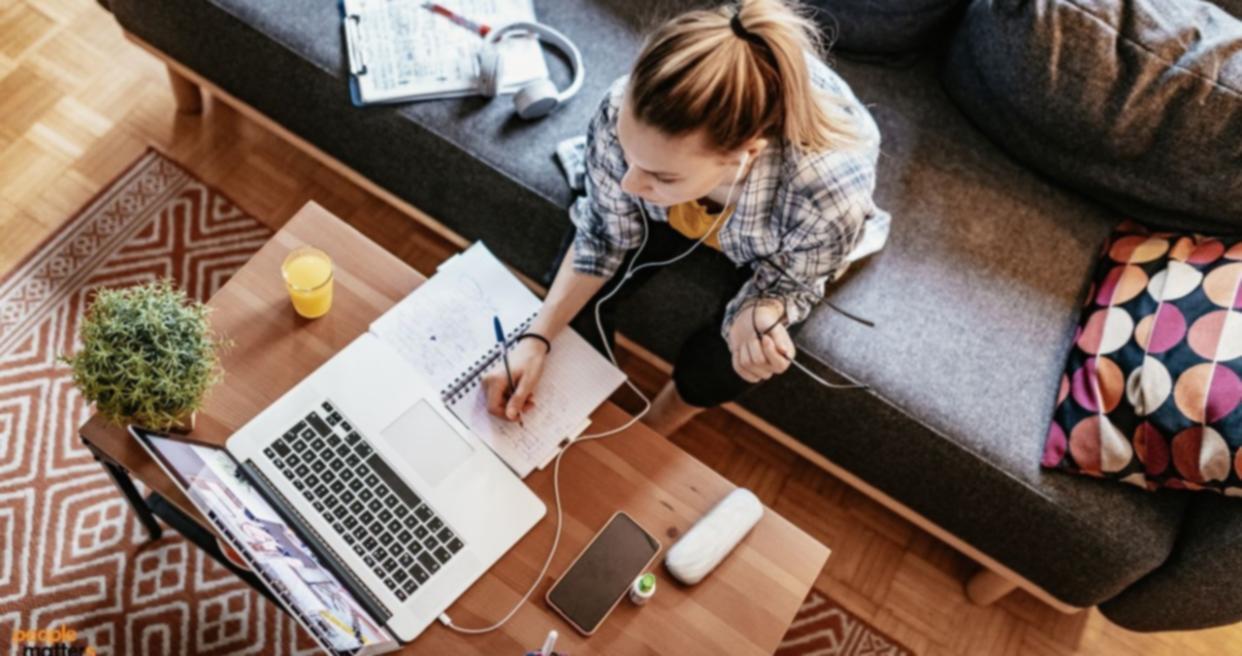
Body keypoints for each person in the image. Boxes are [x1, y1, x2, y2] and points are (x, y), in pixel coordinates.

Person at [484, 0, 889, 435]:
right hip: (716, 189)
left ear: (743, 157)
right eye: (628, 153)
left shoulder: (827, 193)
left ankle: (657, 425)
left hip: (785, 223)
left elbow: (789, 283)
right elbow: (602, 233)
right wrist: (535, 338)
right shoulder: (623, 104)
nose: (629, 185)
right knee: (588, 278)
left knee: (726, 361)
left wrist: (760, 312)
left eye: (660, 175)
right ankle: (588, 382)